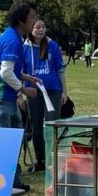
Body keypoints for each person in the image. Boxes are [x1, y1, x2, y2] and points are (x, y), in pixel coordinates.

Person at [0, 2, 41, 192]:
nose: (35, 20)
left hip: (5, 99)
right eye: (32, 17)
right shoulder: (13, 40)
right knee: (3, 143)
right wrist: (24, 90)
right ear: (21, 20)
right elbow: (5, 72)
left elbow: (10, 69)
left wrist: (26, 77)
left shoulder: (15, 38)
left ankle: (13, 182)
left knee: (14, 141)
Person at [23, 19, 67, 173]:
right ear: (31, 29)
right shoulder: (24, 48)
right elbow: (19, 72)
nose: (41, 30)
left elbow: (60, 69)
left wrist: (64, 91)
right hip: (33, 92)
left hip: (53, 91)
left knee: (52, 125)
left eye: (43, 27)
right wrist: (19, 94)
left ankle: (54, 159)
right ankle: (41, 160)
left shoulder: (52, 45)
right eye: (37, 27)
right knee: (36, 127)